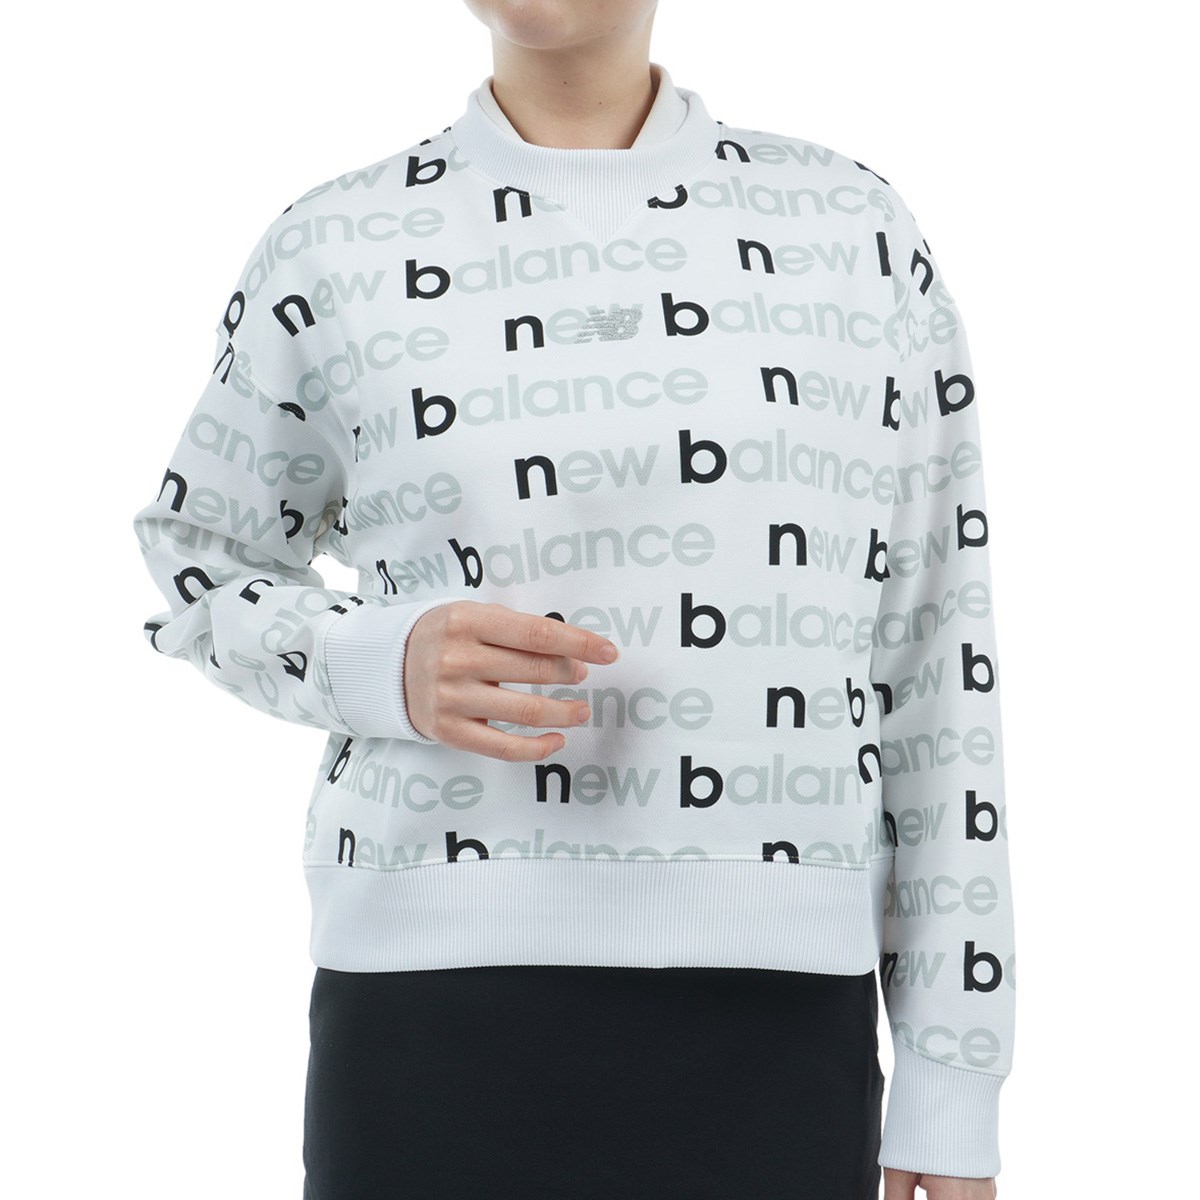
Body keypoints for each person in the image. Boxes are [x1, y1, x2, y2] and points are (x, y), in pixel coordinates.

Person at [130, 2, 1016, 1197]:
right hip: (424, 1016)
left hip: (779, 1020)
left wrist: (953, 1077)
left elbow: (933, 647)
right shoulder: (333, 246)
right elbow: (201, 555)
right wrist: (373, 663)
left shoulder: (850, 232)